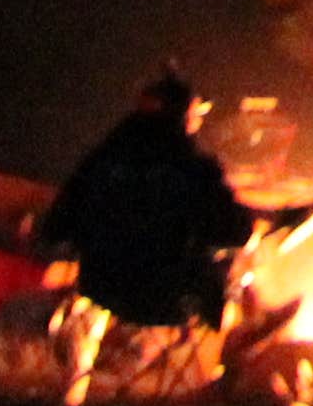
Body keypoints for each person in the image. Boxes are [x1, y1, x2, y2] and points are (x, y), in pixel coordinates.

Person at [41, 73, 261, 341]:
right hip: (167, 298)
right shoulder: (193, 169)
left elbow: (55, 228)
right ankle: (252, 326)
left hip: (101, 288)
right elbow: (237, 232)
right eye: (195, 115)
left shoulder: (100, 160)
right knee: (238, 255)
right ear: (183, 117)